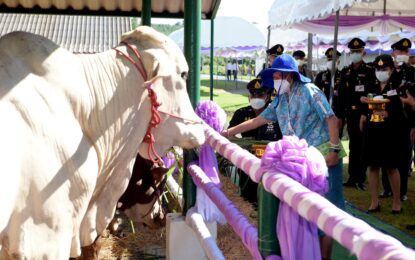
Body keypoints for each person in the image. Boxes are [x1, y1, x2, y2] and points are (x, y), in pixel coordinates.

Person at [222, 54, 343, 260]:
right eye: (274, 76)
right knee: (307, 212)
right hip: (300, 163)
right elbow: (258, 120)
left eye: (278, 76)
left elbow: (331, 118)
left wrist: (334, 150)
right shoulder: (279, 100)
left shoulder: (309, 91)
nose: (276, 80)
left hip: (323, 156)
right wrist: (228, 133)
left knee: (325, 214)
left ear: (289, 76)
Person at [360, 54, 408, 215]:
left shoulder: (399, 86)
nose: (380, 72)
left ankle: (396, 202)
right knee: (372, 166)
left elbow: (405, 113)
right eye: (378, 69)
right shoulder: (370, 85)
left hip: (391, 132)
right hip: (372, 130)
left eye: (384, 69)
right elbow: (364, 106)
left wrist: (389, 114)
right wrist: (362, 105)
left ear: (392, 69)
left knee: (391, 167)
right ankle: (374, 202)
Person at [228, 78, 282, 205]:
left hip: (272, 167)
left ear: (268, 96)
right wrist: (244, 145)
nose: (256, 97)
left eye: (260, 94)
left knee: (270, 202)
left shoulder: (278, 114)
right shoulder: (241, 114)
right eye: (253, 94)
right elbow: (230, 136)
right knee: (248, 200)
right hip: (247, 166)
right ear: (248, 97)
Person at [338, 37, 375, 191]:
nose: (355, 54)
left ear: (363, 52)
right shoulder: (346, 72)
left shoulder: (369, 71)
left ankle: (360, 178)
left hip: (362, 115)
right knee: (352, 146)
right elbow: (341, 96)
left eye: (358, 51)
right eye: (353, 51)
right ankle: (352, 177)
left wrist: (365, 113)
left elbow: (372, 94)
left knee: (361, 146)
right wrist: (339, 116)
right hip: (348, 114)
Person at [381, 38, 414, 201]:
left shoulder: (412, 72)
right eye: (399, 51)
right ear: (394, 53)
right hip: (389, 118)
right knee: (387, 153)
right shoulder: (389, 72)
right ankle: (387, 188)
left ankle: (401, 192)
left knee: (403, 157)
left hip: (406, 120)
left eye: (405, 52)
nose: (402, 55)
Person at [315, 47, 344, 138]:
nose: (331, 61)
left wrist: (340, 116)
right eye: (329, 59)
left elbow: (344, 97)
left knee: (336, 139)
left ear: (338, 61)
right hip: (322, 113)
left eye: (334, 59)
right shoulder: (320, 76)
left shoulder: (343, 76)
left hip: (337, 113)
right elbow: (315, 95)